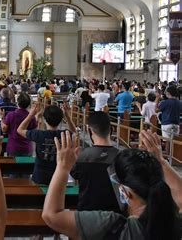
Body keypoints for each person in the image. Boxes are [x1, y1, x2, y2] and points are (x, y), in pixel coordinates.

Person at [42, 130, 181, 240]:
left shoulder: (112, 225)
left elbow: (51, 215)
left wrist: (62, 167)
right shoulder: (174, 220)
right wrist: (160, 161)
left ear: (126, 193)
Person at [70, 112, 120, 212]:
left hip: (86, 214)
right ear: (112, 130)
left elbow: (74, 175)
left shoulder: (82, 156)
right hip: (116, 215)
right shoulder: (123, 157)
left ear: (90, 131)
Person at [17, 102, 76, 184]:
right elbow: (74, 132)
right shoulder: (64, 134)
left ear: (44, 119)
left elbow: (20, 130)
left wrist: (31, 115)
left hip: (40, 176)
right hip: (58, 176)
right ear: (61, 119)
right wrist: (68, 117)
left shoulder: (39, 134)